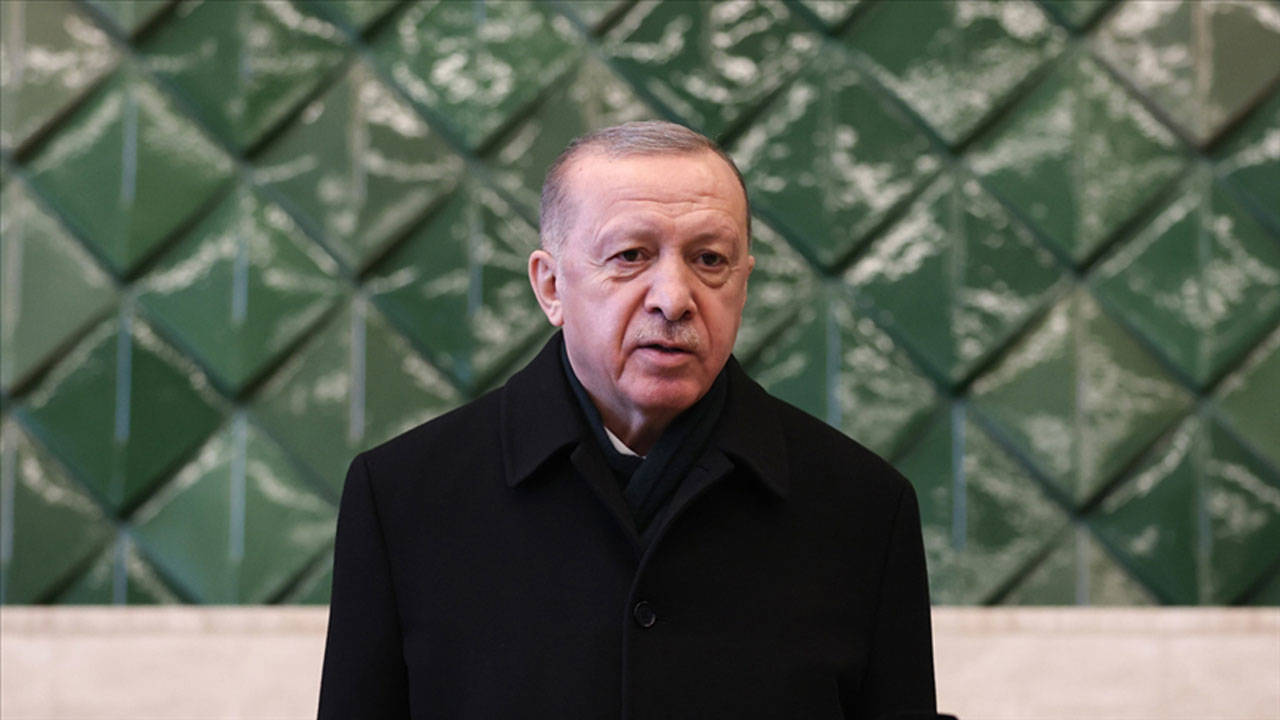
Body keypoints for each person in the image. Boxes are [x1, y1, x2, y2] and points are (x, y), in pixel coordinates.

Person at [317, 121, 938, 719]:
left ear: (744, 284)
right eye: (631, 255)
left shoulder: (865, 506)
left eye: (710, 259)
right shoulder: (402, 498)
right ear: (551, 286)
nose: (674, 298)